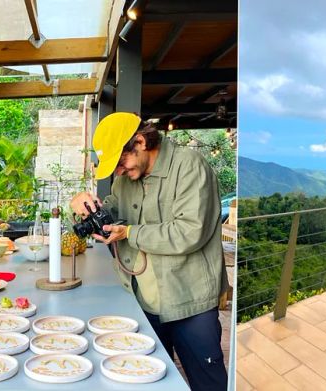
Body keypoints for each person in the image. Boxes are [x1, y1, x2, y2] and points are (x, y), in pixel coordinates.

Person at [70, 112, 229, 390]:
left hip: (189, 302)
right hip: (142, 300)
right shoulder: (126, 178)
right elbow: (112, 210)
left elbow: (190, 231)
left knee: (207, 382)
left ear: (141, 142)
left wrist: (130, 232)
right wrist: (84, 207)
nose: (119, 172)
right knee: (151, 381)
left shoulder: (190, 166)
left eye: (121, 162)